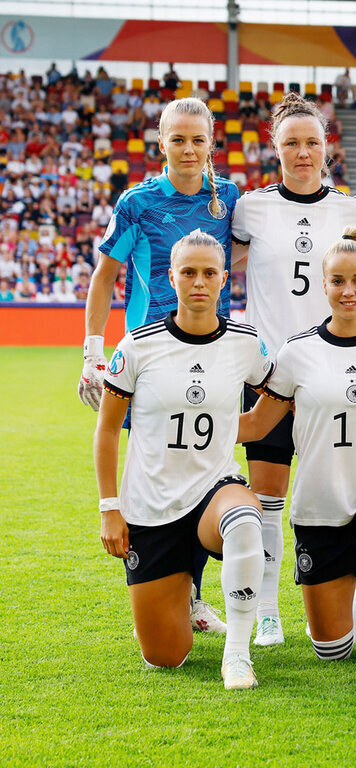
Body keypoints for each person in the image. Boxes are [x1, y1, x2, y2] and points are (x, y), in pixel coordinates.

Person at [80, 97, 239, 635]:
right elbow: (105, 275)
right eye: (178, 139)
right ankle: (159, 586)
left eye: (198, 139)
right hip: (150, 362)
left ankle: (192, 594)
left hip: (211, 355)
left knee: (206, 467)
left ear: (211, 142)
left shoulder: (228, 200)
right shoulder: (138, 202)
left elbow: (243, 256)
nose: (188, 149)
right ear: (161, 142)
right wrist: (93, 352)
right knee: (157, 470)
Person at [238, 230, 356, 688]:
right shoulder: (297, 352)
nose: (348, 290)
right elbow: (257, 424)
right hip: (319, 507)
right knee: (332, 650)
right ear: (324, 285)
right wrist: (174, 421)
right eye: (338, 281)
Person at [95, 230, 273, 689]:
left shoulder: (245, 343)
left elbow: (277, 393)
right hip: (152, 506)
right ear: (171, 277)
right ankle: (177, 596)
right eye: (189, 272)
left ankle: (238, 654)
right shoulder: (137, 346)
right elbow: (107, 430)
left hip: (213, 491)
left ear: (224, 279)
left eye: (209, 273)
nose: (199, 282)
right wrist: (110, 508)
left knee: (244, 517)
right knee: (166, 656)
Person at [231, 91, 356, 647]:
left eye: (312, 142)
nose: (303, 152)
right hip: (270, 375)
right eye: (292, 143)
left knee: (335, 495)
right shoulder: (251, 208)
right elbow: (221, 265)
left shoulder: (350, 212)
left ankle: (343, 597)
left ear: (327, 146)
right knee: (267, 498)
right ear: (275, 147)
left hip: (332, 376)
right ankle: (267, 611)